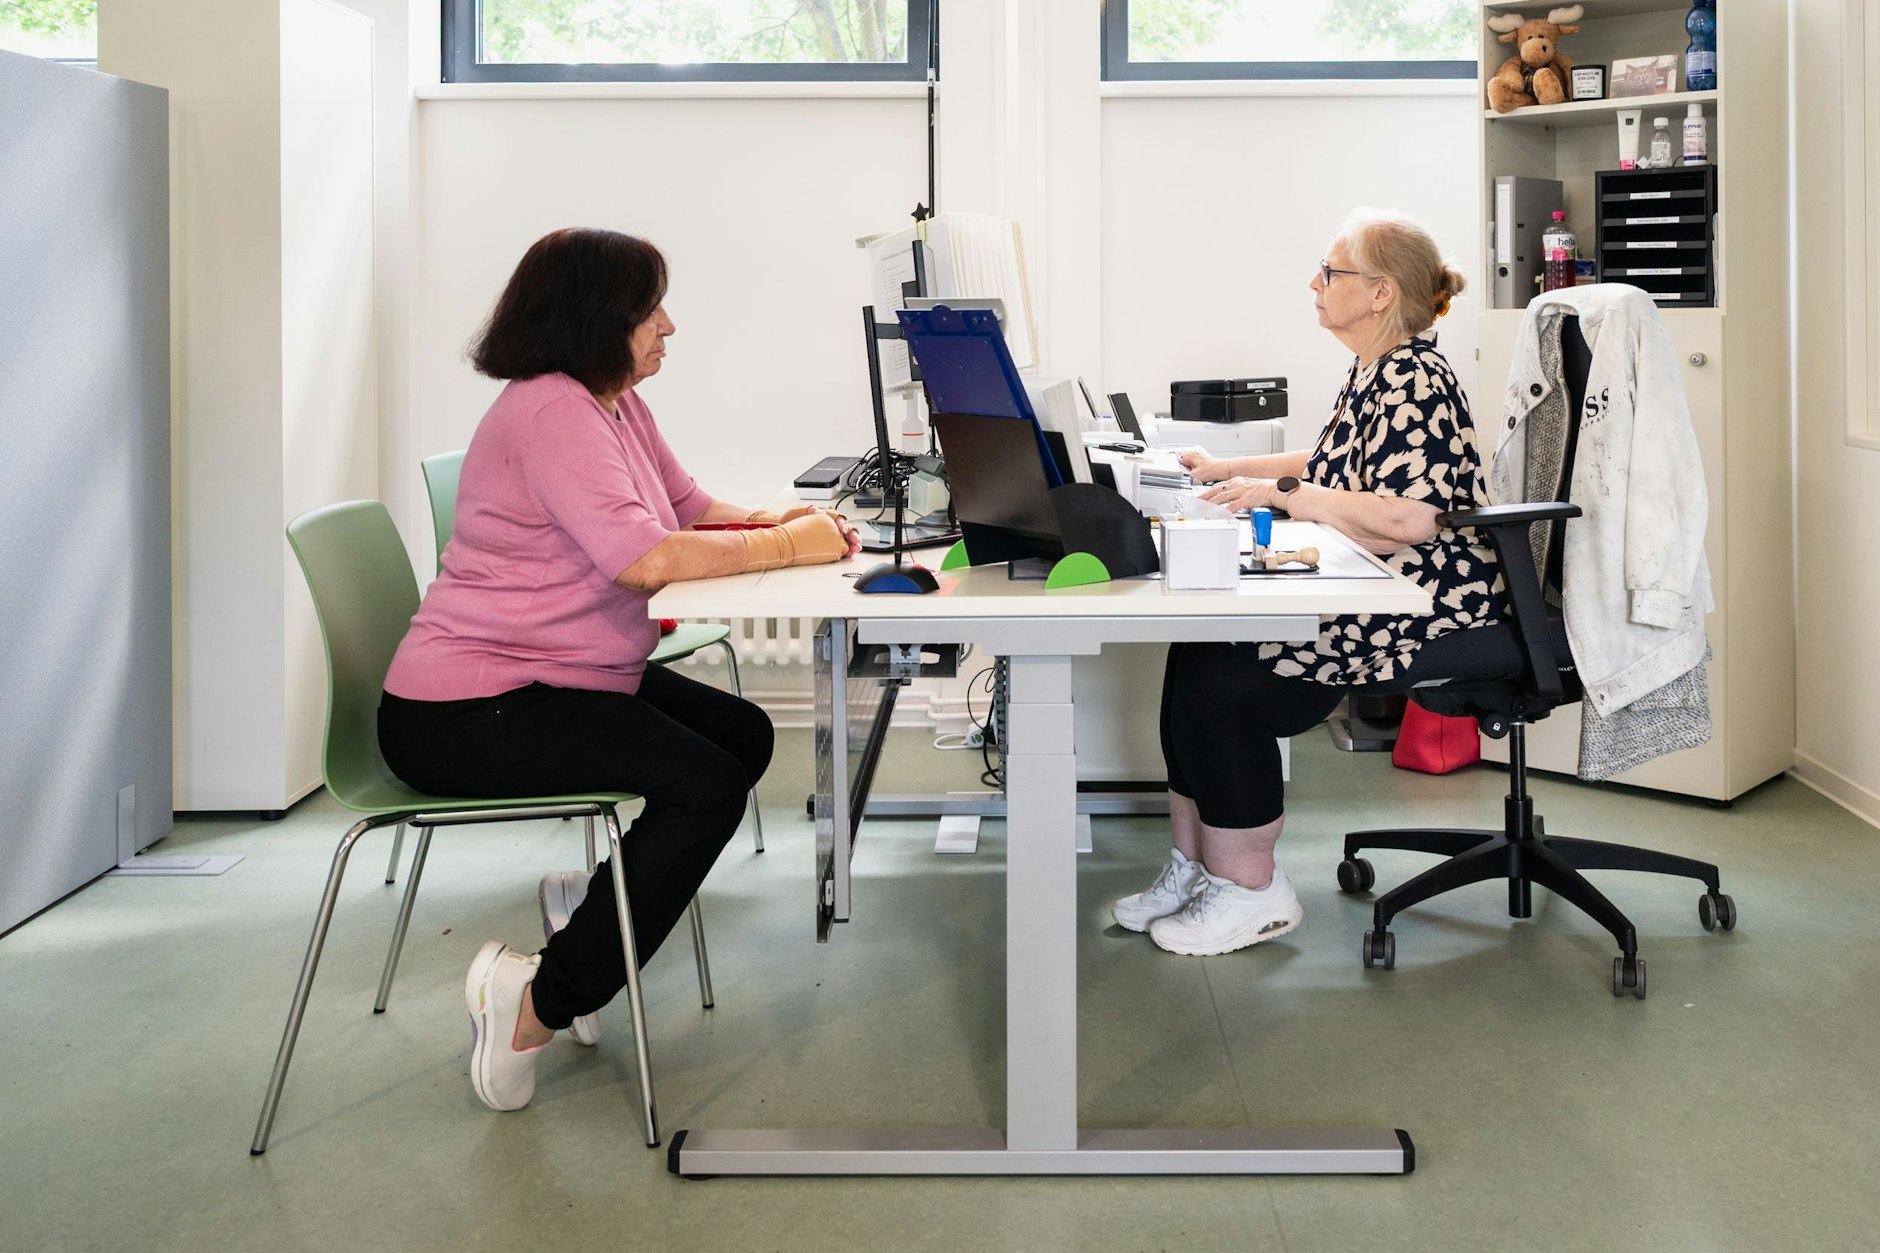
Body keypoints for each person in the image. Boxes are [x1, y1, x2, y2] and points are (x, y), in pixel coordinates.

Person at [377, 228, 860, 1112]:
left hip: (562, 674)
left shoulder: (613, 401)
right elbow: (643, 560)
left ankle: (587, 908)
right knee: (706, 786)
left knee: (743, 735)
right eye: (648, 310)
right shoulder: (551, 411)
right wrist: (788, 544)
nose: (667, 325)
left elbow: (684, 506)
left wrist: (778, 522)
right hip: (470, 706)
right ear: (596, 319)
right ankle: (532, 1004)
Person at [1113, 210, 1501, 957]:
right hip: (1372, 582)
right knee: (1196, 652)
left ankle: (1252, 889)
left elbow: (1412, 520)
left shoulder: (1414, 377)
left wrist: (1281, 497)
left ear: (1381, 292)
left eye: (1332, 273)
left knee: (1227, 683)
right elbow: (1327, 461)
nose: (1316, 285)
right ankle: (1196, 866)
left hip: (1422, 603)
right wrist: (1228, 469)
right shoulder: (1377, 369)